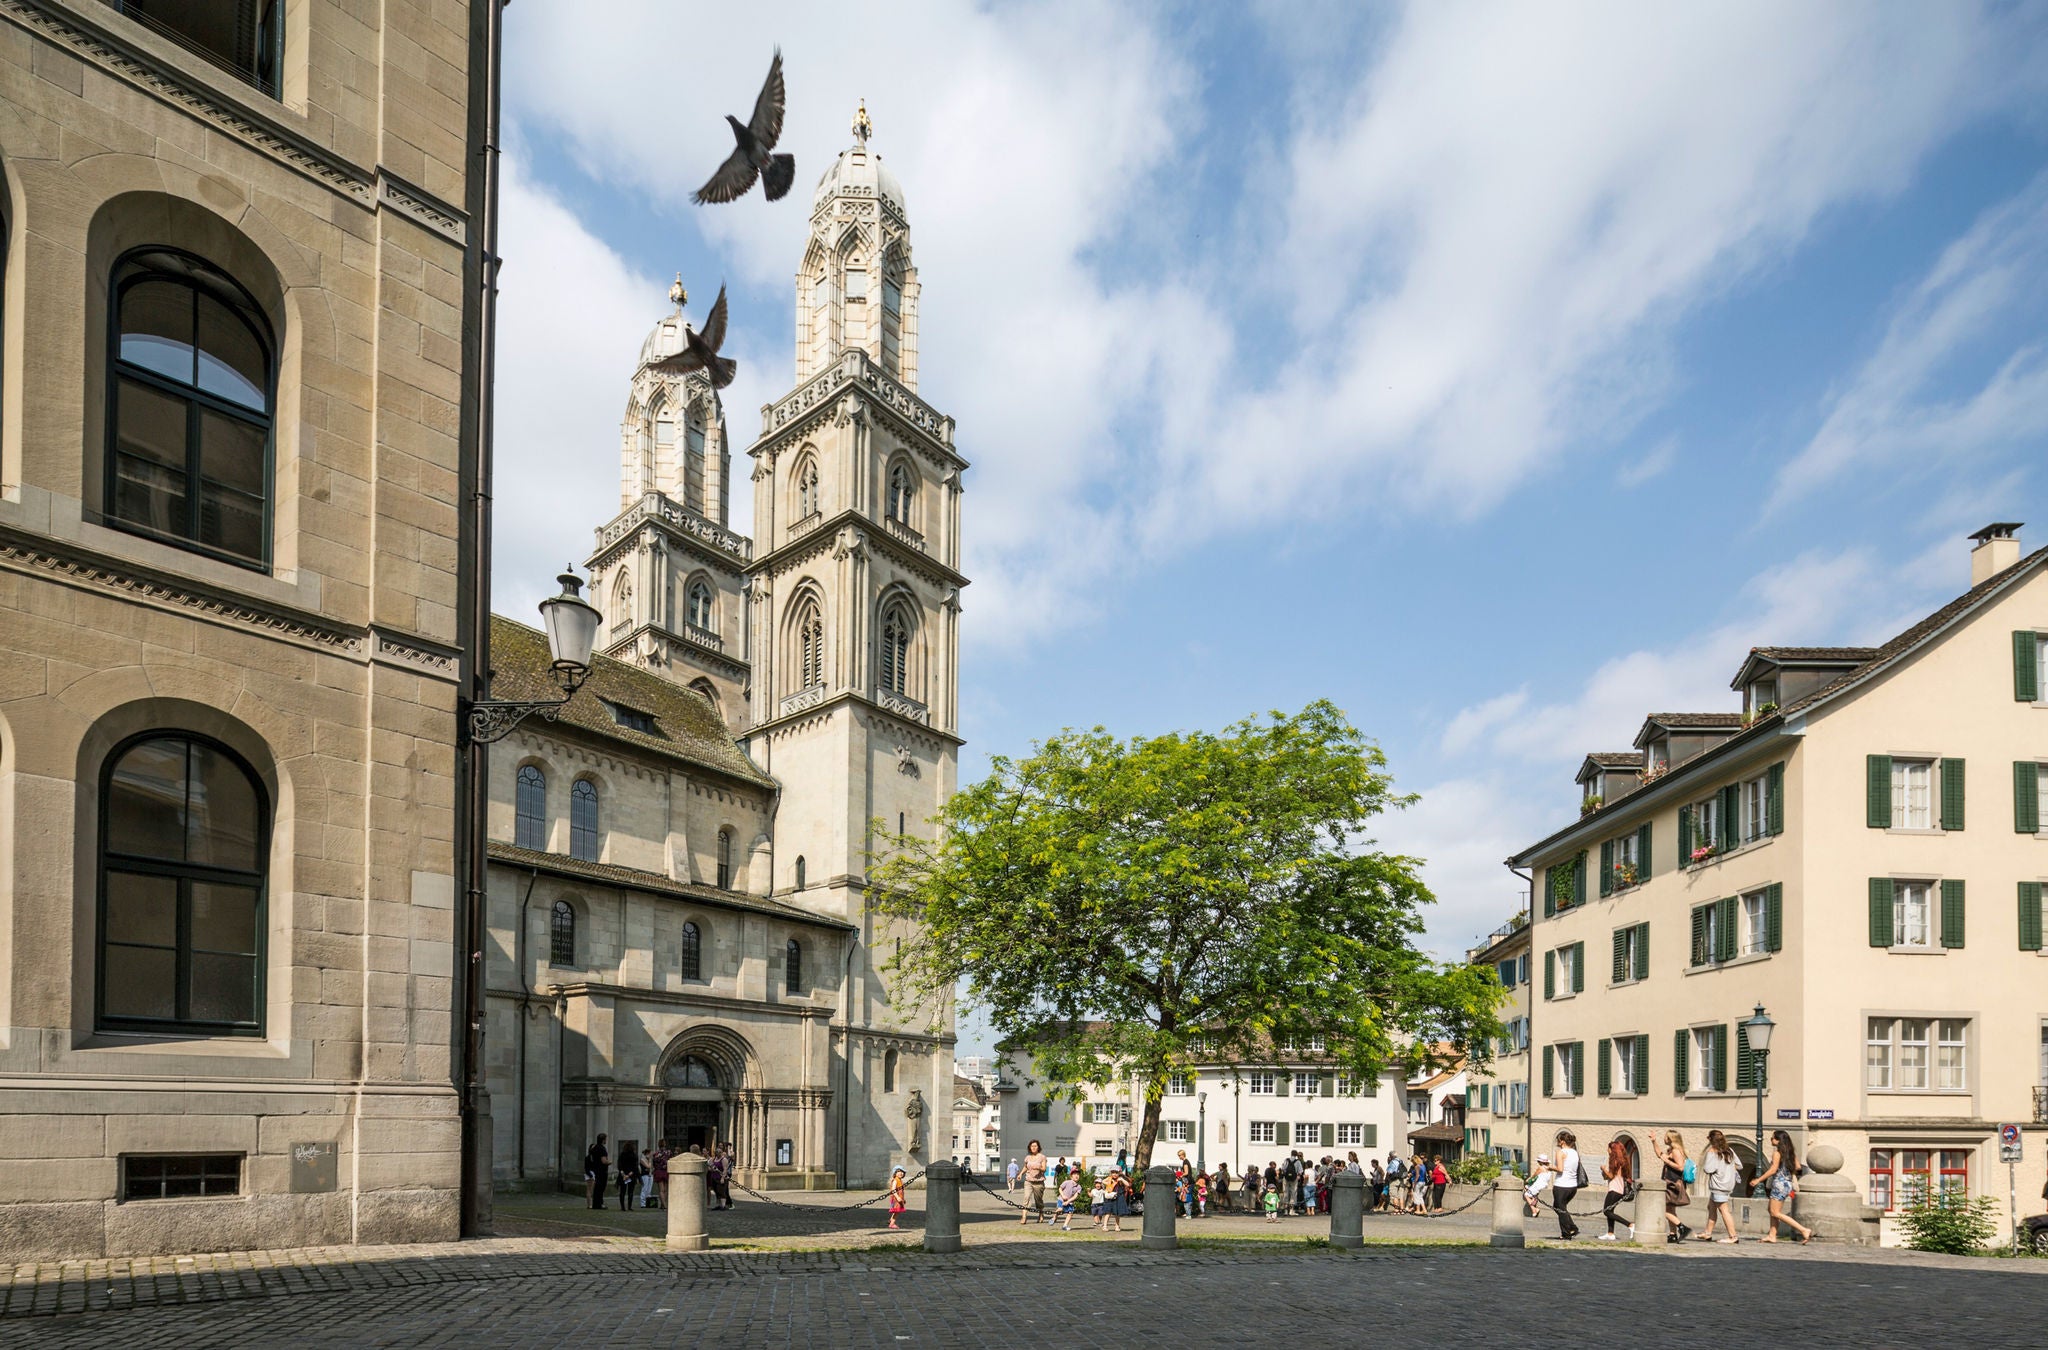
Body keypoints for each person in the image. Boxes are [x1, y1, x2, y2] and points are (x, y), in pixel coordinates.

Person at [1756, 1131, 1814, 1244]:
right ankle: (1772, 1235)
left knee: (1775, 1212)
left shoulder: (1777, 1153)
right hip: (1787, 1184)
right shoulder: (1790, 1153)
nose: (1771, 1140)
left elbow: (1773, 1170)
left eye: (1773, 1138)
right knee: (1772, 1210)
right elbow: (1797, 1167)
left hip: (1779, 1184)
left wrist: (1758, 1180)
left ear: (1778, 1141)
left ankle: (1803, 1230)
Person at [1697, 1130, 1741, 1243]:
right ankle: (1707, 1233)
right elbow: (1739, 1165)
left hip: (1718, 1185)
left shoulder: (1712, 1151)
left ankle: (1733, 1236)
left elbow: (1708, 1169)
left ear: (1711, 1140)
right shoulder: (1729, 1150)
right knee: (1711, 1207)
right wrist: (1728, 1170)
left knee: (1724, 1210)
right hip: (1726, 1185)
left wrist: (1719, 1168)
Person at [1654, 1130, 1692, 1242]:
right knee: (1670, 1209)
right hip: (1670, 1182)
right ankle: (1672, 1234)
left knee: (1663, 1209)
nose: (1664, 1138)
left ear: (1670, 1138)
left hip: (1673, 1183)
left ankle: (1682, 1227)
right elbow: (1659, 1154)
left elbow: (1680, 1167)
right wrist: (1653, 1141)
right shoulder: (1671, 1150)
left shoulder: (1676, 1151)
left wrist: (1667, 1161)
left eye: (1665, 1136)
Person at [1597, 1139, 1635, 1240]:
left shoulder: (1615, 1161)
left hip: (1615, 1189)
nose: (1607, 1150)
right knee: (1611, 1210)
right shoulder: (1622, 1161)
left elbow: (1611, 1176)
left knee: (1606, 1211)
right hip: (1619, 1188)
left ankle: (1630, 1225)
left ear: (1612, 1149)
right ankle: (1610, 1233)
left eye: (1608, 1148)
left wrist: (1604, 1169)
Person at [1551, 1131, 1582, 1240]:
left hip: (1562, 1185)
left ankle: (1566, 1233)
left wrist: (1549, 1167)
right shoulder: (1574, 1152)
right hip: (1572, 1186)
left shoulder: (1561, 1152)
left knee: (1560, 1209)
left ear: (1562, 1142)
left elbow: (1560, 1169)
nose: (1557, 1143)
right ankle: (1572, 1228)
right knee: (1559, 1207)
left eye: (1558, 1140)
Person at [1019, 1140, 1049, 1224]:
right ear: (1029, 1147)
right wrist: (1021, 1174)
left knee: (1038, 1200)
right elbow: (1025, 1167)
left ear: (1038, 1147)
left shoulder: (1042, 1157)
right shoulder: (1027, 1157)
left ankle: (1041, 1214)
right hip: (1028, 1181)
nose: (1033, 1147)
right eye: (1032, 1146)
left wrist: (1038, 1168)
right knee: (1026, 1198)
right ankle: (1024, 1217)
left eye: (1035, 1146)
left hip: (1039, 1182)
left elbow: (1044, 1169)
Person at [584, 1133, 610, 1210]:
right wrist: (609, 1162)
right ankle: (599, 1204)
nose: (606, 1141)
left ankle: (595, 1204)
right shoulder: (602, 1149)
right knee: (601, 1187)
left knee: (597, 1188)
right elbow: (604, 1161)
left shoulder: (594, 1149)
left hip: (596, 1170)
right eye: (605, 1139)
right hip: (602, 1171)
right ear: (603, 1140)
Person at [1106, 1166, 1132, 1233]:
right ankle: (1105, 1225)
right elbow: (1103, 1181)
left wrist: (1122, 1179)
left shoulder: (1121, 1180)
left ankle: (1117, 1226)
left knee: (1117, 1213)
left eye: (1116, 1173)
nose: (1114, 1174)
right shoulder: (1109, 1179)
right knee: (1108, 1212)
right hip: (1111, 1197)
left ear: (1119, 1173)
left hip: (1119, 1197)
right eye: (1113, 1172)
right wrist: (1109, 1182)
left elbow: (1128, 1185)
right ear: (1111, 1173)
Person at [649, 1139, 672, 1211]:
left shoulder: (655, 1154)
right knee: (665, 1190)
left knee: (661, 1190)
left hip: (658, 1171)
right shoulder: (668, 1152)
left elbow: (653, 1164)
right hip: (665, 1171)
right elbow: (670, 1161)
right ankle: (664, 1204)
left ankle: (663, 1205)